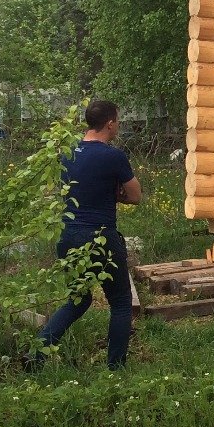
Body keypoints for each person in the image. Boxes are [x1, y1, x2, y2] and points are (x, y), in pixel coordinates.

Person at [36, 100, 142, 369]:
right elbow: (136, 195)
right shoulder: (113, 156)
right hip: (101, 237)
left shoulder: (68, 153)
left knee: (77, 300)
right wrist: (116, 196)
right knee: (120, 302)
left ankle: (36, 353)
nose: (118, 124)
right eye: (117, 120)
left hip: (68, 235)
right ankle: (116, 368)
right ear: (109, 123)